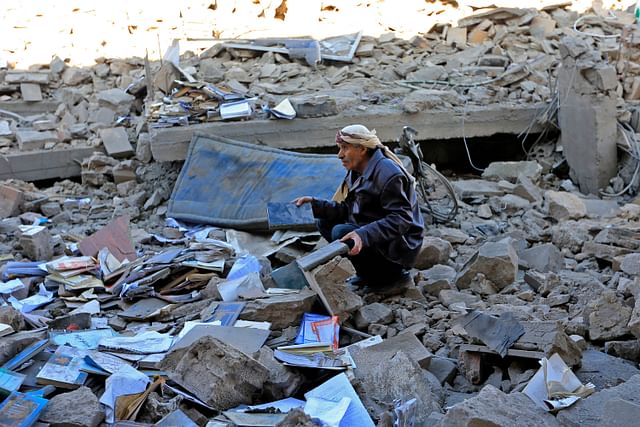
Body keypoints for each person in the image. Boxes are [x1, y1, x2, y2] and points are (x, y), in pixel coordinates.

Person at [294, 124, 425, 289]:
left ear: (362, 149)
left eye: (345, 148)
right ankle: (366, 274)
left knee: (341, 232)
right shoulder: (357, 170)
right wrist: (316, 205)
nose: (340, 155)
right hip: (378, 234)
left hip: (398, 250)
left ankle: (392, 278)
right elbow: (350, 209)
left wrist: (362, 235)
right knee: (324, 221)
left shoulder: (388, 173)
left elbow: (402, 219)